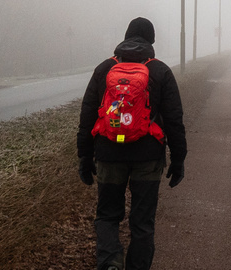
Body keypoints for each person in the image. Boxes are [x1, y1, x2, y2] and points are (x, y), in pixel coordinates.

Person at [77, 17, 187, 270]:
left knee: (107, 215)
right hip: (148, 157)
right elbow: (174, 120)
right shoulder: (160, 71)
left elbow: (87, 115)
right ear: (152, 41)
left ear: (125, 37)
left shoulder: (105, 69)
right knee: (142, 221)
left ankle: (110, 263)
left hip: (108, 153)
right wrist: (179, 158)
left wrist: (84, 155)